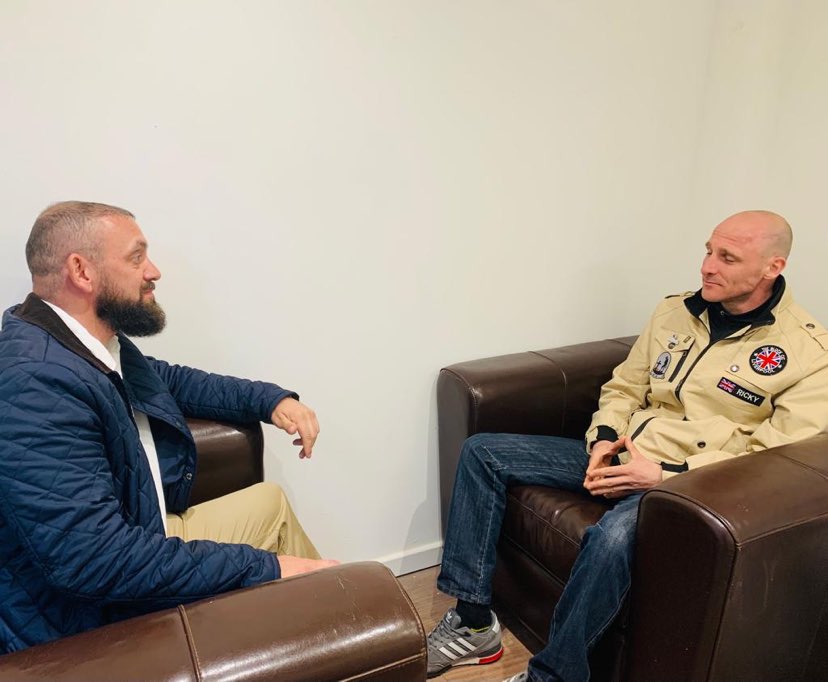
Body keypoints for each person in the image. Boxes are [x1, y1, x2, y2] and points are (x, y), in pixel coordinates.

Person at [426, 210, 828, 682]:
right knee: (483, 452)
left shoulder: (809, 355)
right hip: (620, 452)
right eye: (708, 251)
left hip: (686, 486)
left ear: (772, 267)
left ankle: (554, 675)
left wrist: (666, 476)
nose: (707, 267)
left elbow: (770, 460)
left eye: (727, 258)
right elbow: (625, 388)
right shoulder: (675, 311)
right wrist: (601, 438)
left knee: (612, 536)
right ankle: (474, 623)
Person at [0, 201, 338, 654]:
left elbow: (172, 381)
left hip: (141, 535)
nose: (153, 271)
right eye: (136, 257)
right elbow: (96, 561)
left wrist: (270, 399)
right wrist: (268, 568)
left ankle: (336, 637)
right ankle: (340, 638)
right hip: (85, 617)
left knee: (270, 504)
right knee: (286, 568)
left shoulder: (84, 344)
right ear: (82, 271)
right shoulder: (35, 383)